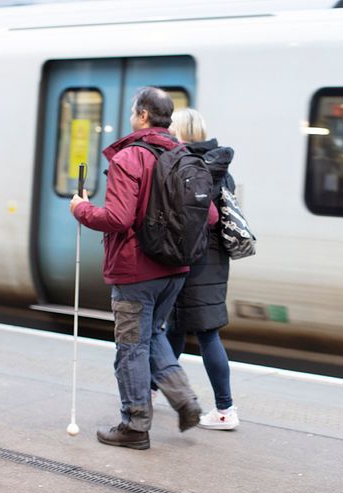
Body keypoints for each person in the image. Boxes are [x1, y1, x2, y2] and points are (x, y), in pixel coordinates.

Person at [69, 87, 216, 450]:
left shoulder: (130, 157)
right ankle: (185, 401)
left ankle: (134, 426)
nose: (132, 116)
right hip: (176, 270)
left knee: (131, 347)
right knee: (152, 337)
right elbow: (209, 216)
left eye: (134, 111)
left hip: (136, 272)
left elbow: (118, 218)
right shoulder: (184, 155)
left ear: (143, 116)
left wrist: (80, 209)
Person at [164, 108, 240, 430]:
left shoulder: (186, 166)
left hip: (191, 256)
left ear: (178, 132)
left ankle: (225, 409)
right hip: (214, 259)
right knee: (177, 327)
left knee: (202, 332)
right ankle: (155, 389)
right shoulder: (220, 166)